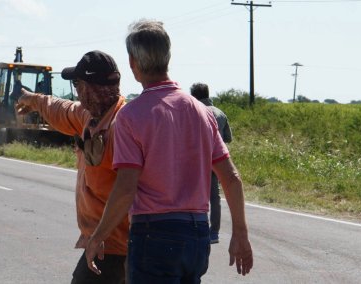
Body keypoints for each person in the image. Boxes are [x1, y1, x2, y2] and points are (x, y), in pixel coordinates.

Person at [85, 20, 253, 282]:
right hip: (197, 234)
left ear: (132, 62)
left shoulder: (130, 116)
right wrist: (240, 234)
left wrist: (98, 236)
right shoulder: (202, 112)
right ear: (168, 57)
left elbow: (126, 188)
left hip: (154, 234)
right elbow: (231, 178)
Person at [15, 50, 129, 283]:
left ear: (88, 88)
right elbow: (61, 108)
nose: (77, 91)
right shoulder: (90, 117)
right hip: (103, 243)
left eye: (77, 84)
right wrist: (34, 100)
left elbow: (133, 190)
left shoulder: (123, 126)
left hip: (116, 247)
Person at [190, 82, 233, 244]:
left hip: (196, 160)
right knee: (215, 197)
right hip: (217, 160)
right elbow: (228, 138)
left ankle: (196, 229)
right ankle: (214, 232)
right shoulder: (220, 113)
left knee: (193, 195)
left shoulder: (193, 111)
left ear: (194, 95)